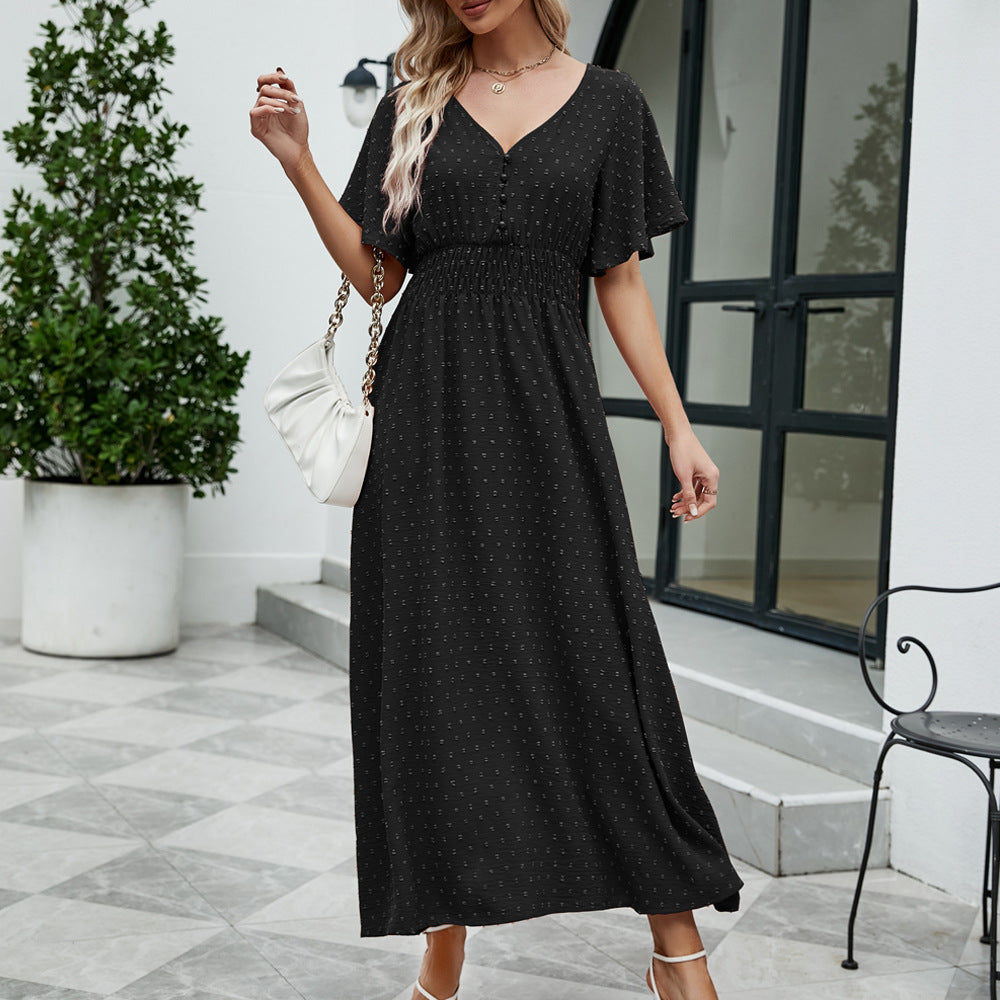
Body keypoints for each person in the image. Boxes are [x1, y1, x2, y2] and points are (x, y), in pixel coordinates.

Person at [251, 1, 744, 998]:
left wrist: (678, 425)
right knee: (437, 685)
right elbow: (379, 277)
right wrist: (299, 162)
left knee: (605, 671)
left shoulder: (610, 106)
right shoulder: (412, 103)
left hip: (550, 416)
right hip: (426, 425)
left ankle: (676, 946)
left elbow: (619, 282)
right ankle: (442, 954)